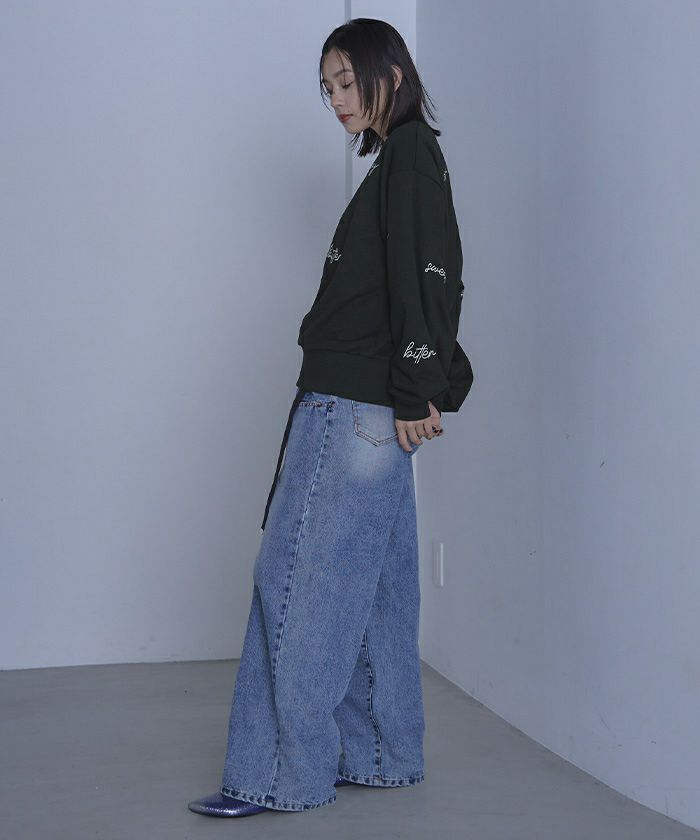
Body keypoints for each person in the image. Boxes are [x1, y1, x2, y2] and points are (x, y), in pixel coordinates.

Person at [188, 17, 473, 818]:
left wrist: (418, 386)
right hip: (371, 405)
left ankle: (278, 772)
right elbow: (426, 278)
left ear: (391, 73)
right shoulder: (404, 161)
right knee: (372, 585)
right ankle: (379, 751)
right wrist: (418, 386)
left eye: (348, 81)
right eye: (328, 88)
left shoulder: (409, 156)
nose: (339, 100)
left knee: (298, 582)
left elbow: (429, 275)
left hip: (355, 405)